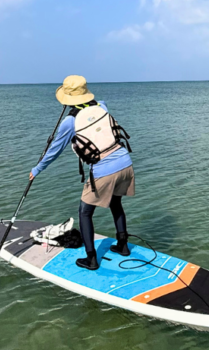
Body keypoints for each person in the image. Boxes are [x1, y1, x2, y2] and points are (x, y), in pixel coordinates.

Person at [29, 75, 134, 271]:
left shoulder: (69, 122)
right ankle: (123, 246)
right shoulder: (102, 106)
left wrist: (37, 169)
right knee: (115, 203)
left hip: (104, 171)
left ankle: (91, 259)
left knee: (85, 213)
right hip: (125, 162)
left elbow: (54, 150)